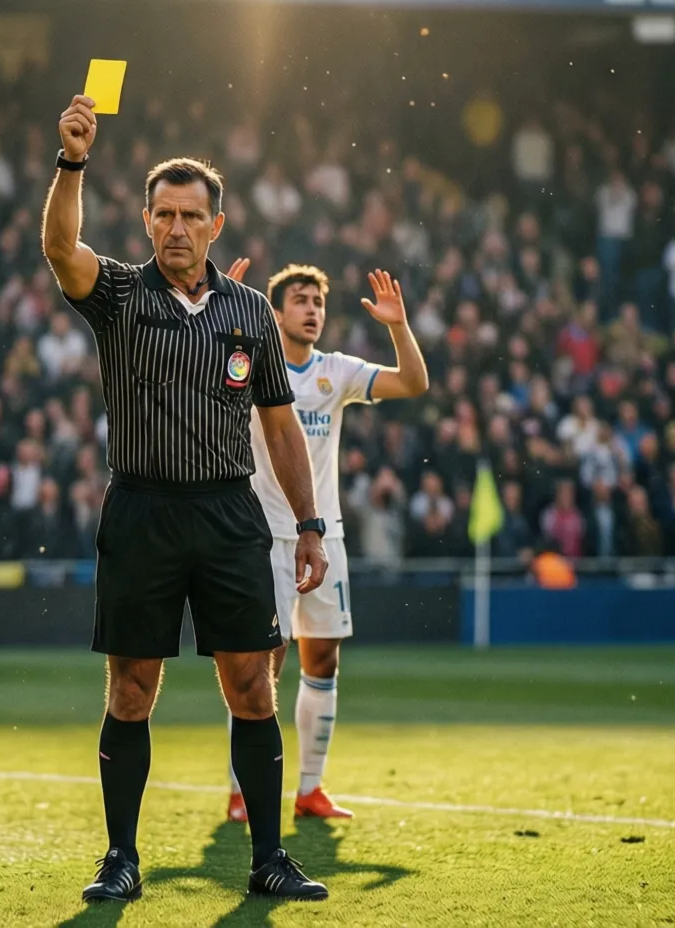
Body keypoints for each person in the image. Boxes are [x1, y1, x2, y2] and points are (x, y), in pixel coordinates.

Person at [45, 95, 329, 903]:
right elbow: (59, 247)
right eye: (163, 214)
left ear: (217, 224)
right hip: (141, 510)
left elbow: (281, 428)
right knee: (131, 688)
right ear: (144, 222)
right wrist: (73, 161)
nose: (176, 227)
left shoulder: (249, 313)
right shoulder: (120, 296)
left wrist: (307, 525)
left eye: (190, 215)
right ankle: (121, 860)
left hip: (229, 513)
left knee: (252, 685)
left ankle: (270, 860)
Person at [216, 261, 428, 824]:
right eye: (301, 300)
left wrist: (398, 326)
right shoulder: (252, 364)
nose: (312, 310)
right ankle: (241, 789)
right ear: (276, 310)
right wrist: (227, 310)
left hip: (324, 534)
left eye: (318, 301)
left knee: (325, 658)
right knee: (264, 666)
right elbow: (206, 381)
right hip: (266, 535)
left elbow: (413, 382)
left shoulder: (337, 371)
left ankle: (310, 790)